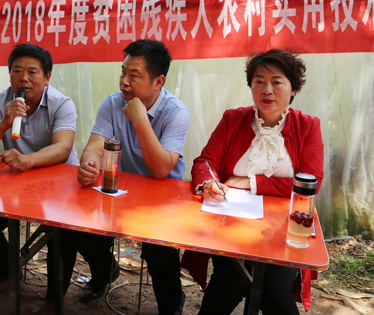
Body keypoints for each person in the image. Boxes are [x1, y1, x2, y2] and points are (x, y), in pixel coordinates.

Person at [181, 48, 324, 315]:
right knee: (229, 282)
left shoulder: (308, 126)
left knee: (274, 293)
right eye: (259, 81)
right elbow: (205, 162)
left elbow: (311, 182)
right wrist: (209, 183)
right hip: (231, 223)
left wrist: (251, 182)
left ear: (293, 89)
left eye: (277, 82)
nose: (266, 90)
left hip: (285, 228)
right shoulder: (233, 119)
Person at [53, 39, 190, 315]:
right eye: (123, 72)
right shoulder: (113, 103)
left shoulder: (176, 112)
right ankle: (105, 273)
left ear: (158, 82)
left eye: (134, 75)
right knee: (81, 232)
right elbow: (94, 147)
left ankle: (171, 305)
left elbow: (161, 170)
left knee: (161, 251)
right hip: (120, 189)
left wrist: (140, 120)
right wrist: (90, 165)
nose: (124, 81)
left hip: (163, 197)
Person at [0, 43, 78, 298]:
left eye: (32, 72)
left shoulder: (62, 104)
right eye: (17, 70)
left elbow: (62, 148)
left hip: (59, 185)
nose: (24, 78)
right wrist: (3, 123)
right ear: (10, 74)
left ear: (47, 77)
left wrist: (28, 160)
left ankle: (54, 302)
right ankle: (5, 272)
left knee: (63, 232)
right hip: (16, 183)